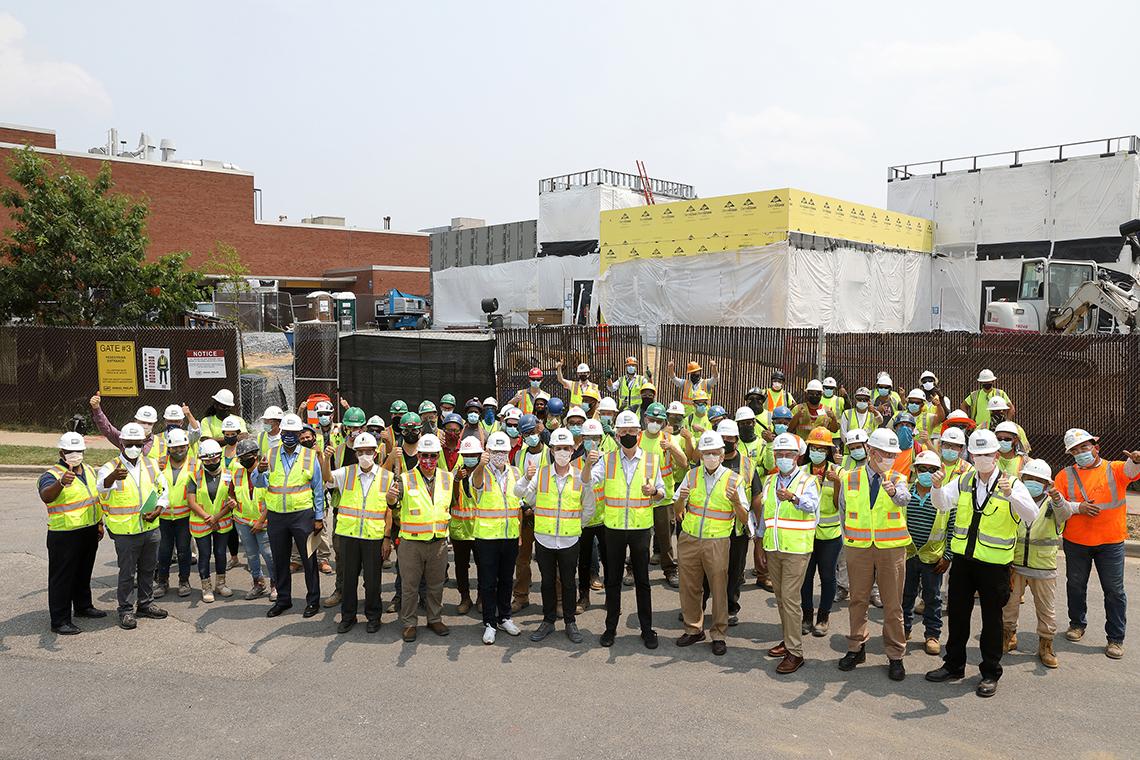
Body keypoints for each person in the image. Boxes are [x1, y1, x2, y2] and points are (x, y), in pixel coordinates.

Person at [927, 429, 1039, 697]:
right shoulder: (964, 480)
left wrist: (1012, 495)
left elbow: (1031, 516)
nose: (981, 459)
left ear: (997, 455)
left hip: (995, 565)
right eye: (977, 454)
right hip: (964, 562)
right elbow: (942, 504)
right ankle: (953, 664)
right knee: (957, 614)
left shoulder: (1011, 483)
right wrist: (936, 486)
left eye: (987, 454)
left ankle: (990, 672)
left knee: (992, 620)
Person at [1053, 428, 1139, 660]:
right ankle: (1077, 625)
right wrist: (1077, 507)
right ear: (1070, 454)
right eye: (1075, 450)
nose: (1081, 452)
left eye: (1084, 447)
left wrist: (1137, 460)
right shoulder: (1064, 475)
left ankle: (1115, 639)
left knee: (1114, 591)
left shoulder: (1115, 468)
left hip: (1110, 542)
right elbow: (1057, 506)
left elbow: (1132, 471)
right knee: (1076, 586)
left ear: (1095, 447)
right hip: (1076, 541)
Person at [586, 410, 667, 649]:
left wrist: (654, 492)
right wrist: (588, 465)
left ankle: (646, 629)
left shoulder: (651, 460)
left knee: (643, 581)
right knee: (613, 581)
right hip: (614, 528)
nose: (628, 435)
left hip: (641, 528)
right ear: (617, 435)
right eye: (623, 432)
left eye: (632, 431)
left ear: (639, 434)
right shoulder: (607, 459)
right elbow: (589, 482)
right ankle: (610, 628)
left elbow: (662, 492)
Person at [837, 427, 910, 681]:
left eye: (893, 454)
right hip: (858, 548)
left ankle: (896, 655)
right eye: (885, 453)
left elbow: (904, 499)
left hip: (891, 550)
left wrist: (893, 492)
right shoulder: (849, 477)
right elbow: (842, 512)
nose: (889, 458)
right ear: (871, 451)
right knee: (857, 600)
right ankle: (856, 647)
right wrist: (851, 540)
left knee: (892, 604)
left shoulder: (899, 478)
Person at [674, 430, 749, 657]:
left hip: (717, 540)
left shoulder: (734, 480)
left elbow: (744, 519)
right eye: (706, 453)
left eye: (714, 453)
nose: (710, 457)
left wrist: (736, 502)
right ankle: (693, 628)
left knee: (718, 588)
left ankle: (718, 633)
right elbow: (677, 512)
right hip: (689, 538)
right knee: (689, 586)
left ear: (722, 454)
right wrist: (681, 500)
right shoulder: (691, 476)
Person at [516, 428, 596, 643]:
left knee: (569, 582)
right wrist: (525, 478)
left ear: (572, 450)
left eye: (566, 448)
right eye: (558, 448)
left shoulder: (580, 476)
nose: (562, 452)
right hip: (544, 538)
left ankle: (570, 622)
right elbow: (520, 494)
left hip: (570, 539)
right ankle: (548, 620)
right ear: (551, 450)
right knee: (547, 582)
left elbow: (589, 507)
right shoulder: (541, 474)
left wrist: (576, 526)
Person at [754, 432, 820, 673]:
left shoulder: (808, 481)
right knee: (782, 598)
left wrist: (794, 497)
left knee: (790, 599)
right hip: (774, 548)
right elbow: (766, 516)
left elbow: (813, 507)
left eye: (788, 454)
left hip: (797, 549)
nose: (783, 458)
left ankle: (796, 653)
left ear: (797, 457)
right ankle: (788, 639)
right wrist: (760, 543)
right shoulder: (770, 482)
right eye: (779, 454)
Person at [96, 422, 169, 630]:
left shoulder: (151, 464)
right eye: (130, 444)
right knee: (127, 573)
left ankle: (146, 604)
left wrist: (159, 509)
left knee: (148, 569)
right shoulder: (110, 468)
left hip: (150, 528)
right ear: (121, 442)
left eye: (138, 444)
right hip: (125, 531)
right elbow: (100, 489)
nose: (134, 448)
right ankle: (126, 610)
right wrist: (111, 478)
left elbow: (163, 491)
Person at [1002, 458, 1074, 669]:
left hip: (1043, 567)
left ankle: (1045, 646)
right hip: (1015, 564)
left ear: (1047, 484)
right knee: (1009, 605)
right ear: (1022, 479)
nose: (1033, 482)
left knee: (1046, 610)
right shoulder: (1014, 499)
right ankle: (1008, 636)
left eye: (1038, 480)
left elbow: (1066, 514)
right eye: (1029, 478)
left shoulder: (1053, 505)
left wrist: (1058, 499)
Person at [386, 433, 453, 642]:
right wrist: (390, 499)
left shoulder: (447, 478)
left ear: (438, 456)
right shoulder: (405, 478)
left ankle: (434, 618)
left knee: (435, 585)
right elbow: (394, 505)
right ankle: (409, 623)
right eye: (424, 455)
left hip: (438, 543)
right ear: (418, 456)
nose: (428, 460)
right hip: (411, 543)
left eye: (433, 456)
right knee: (410, 586)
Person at [324, 432, 393, 634]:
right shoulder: (347, 473)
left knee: (373, 582)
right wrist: (326, 459)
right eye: (360, 452)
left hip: (373, 537)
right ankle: (348, 617)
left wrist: (387, 538)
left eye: (368, 451)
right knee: (348, 580)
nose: (364, 455)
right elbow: (328, 479)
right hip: (349, 536)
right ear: (355, 454)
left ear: (375, 452)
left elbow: (389, 510)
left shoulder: (386, 476)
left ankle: (373, 617)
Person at [257, 413, 324, 618]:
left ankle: (313, 601)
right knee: (280, 560)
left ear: (299, 434)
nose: (289, 436)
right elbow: (259, 483)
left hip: (302, 516)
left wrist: (319, 517)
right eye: (286, 432)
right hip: (277, 516)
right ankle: (283, 600)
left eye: (293, 433)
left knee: (309, 559)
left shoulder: (309, 456)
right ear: (281, 432)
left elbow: (318, 488)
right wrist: (259, 472)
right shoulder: (270, 454)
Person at [39, 432, 105, 635]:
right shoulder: (52, 475)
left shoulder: (89, 471)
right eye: (70, 451)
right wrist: (61, 483)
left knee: (83, 572)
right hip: (64, 533)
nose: (75, 455)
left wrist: (99, 523)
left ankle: (83, 606)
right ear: (61, 452)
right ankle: (59, 620)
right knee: (62, 578)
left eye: (79, 451)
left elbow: (95, 498)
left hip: (89, 529)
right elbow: (46, 496)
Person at [470, 432, 522, 644]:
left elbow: (518, 503)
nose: (500, 455)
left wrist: (518, 533)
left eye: (503, 451)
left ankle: (505, 617)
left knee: (507, 580)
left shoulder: (515, 473)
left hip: (509, 536)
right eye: (495, 451)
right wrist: (481, 464)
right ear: (488, 452)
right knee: (488, 582)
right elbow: (477, 483)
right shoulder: (480, 472)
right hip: (487, 537)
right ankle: (490, 622)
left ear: (509, 452)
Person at [901, 450, 952, 656]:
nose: (927, 473)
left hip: (933, 557)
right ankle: (903, 629)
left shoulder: (946, 496)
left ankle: (932, 634)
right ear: (915, 470)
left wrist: (948, 556)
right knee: (905, 595)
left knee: (932, 597)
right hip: (907, 554)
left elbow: (953, 526)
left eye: (932, 470)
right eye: (923, 469)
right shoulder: (904, 493)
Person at [706, 419, 755, 626]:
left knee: (734, 571)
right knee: (705, 571)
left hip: (738, 528)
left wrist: (757, 526)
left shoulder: (747, 464)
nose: (727, 442)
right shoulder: (709, 460)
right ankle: (698, 607)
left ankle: (730, 608)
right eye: (723, 438)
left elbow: (757, 495)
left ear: (737, 439)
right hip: (712, 527)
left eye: (730, 438)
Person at [639, 402, 688, 589]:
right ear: (645, 419)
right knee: (639, 537)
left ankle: (669, 570)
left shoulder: (668, 438)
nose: (654, 423)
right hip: (641, 496)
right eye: (651, 419)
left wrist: (672, 448)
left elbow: (684, 463)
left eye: (658, 421)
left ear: (663, 422)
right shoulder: (637, 438)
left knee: (665, 538)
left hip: (664, 497)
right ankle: (633, 569)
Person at [800, 427, 842, 638]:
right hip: (806, 533)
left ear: (828, 451)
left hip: (831, 535)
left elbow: (837, 506)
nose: (817, 452)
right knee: (805, 578)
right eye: (814, 448)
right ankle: (807, 616)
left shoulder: (838, 471)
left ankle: (823, 617)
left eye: (822, 449)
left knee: (827, 576)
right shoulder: (802, 471)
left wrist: (836, 484)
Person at [186, 439, 234, 603]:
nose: (212, 462)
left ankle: (221, 584)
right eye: (207, 460)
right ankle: (206, 587)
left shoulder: (228, 474)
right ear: (202, 459)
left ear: (220, 457)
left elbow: (231, 499)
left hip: (222, 521)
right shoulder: (195, 476)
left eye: (214, 459)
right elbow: (191, 502)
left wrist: (216, 518)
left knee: (220, 553)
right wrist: (208, 518)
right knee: (204, 555)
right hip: (202, 522)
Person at [229, 438, 275, 601]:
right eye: (240, 457)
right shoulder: (238, 472)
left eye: (246, 456)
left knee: (269, 555)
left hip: (264, 522)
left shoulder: (267, 472)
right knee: (252, 555)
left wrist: (261, 521)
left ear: (255, 455)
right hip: (242, 521)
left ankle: (275, 585)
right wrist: (232, 501)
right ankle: (258, 584)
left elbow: (273, 499)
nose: (243, 460)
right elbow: (232, 492)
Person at [511, 414, 547, 613]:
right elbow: (517, 484)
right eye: (526, 434)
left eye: (532, 432)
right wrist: (523, 506)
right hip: (524, 513)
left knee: (548, 560)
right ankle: (521, 596)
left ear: (539, 430)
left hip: (544, 512)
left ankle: (556, 600)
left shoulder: (550, 454)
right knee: (522, 559)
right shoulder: (519, 455)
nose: (530, 437)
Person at [154, 429, 196, 599]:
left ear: (187, 446)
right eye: (175, 448)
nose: (179, 451)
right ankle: (162, 582)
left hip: (184, 516)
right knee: (163, 551)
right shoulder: (160, 465)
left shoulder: (195, 464)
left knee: (184, 551)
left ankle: (184, 581)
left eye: (182, 447)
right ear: (169, 449)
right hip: (163, 517)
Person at [576, 418, 608, 612]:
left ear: (601, 439)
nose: (591, 441)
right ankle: (583, 598)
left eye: (595, 437)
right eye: (587, 437)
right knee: (584, 562)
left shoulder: (609, 461)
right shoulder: (575, 462)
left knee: (610, 562)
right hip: (584, 521)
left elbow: (598, 480)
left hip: (606, 519)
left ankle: (611, 599)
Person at [451, 436, 483, 614]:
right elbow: (453, 499)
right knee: (461, 567)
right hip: (460, 530)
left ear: (479, 454)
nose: (470, 457)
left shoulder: (485, 472)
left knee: (483, 565)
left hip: (480, 530)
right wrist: (456, 480)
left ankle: (481, 596)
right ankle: (465, 597)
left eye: (473, 454)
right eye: (466, 454)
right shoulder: (456, 472)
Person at [89, 395, 161, 457]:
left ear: (154, 424)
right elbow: (107, 429)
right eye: (143, 422)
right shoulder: (124, 438)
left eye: (149, 423)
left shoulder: (160, 442)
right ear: (136, 421)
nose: (146, 426)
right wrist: (96, 408)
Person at [889, 412, 925, 477]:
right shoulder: (887, 447)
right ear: (896, 428)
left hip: (907, 485)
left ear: (912, 428)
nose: (904, 428)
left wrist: (928, 442)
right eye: (901, 425)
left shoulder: (918, 448)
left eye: (908, 425)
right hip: (887, 484)